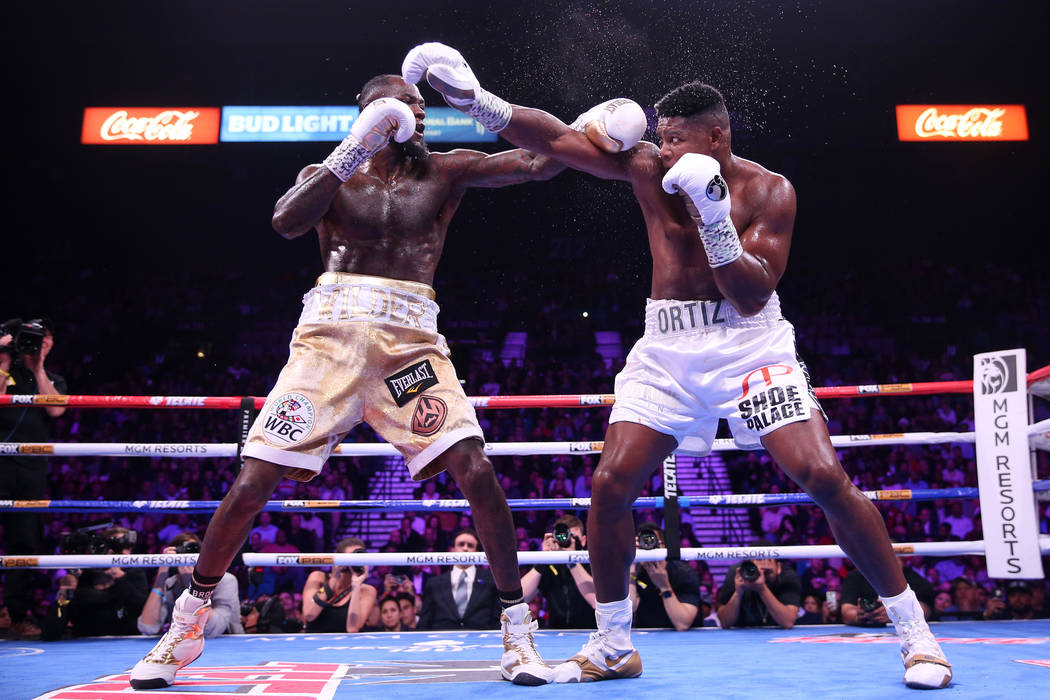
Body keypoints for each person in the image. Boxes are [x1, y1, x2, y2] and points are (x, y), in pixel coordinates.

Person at [402, 42, 952, 689]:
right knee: (610, 485)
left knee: (821, 474)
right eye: (660, 140)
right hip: (666, 351)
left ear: (717, 136)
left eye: (679, 141)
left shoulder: (769, 191)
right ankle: (612, 645)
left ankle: (916, 636)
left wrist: (716, 216)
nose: (665, 153)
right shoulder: (647, 168)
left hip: (750, 346)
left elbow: (750, 291)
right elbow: (555, 139)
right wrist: (475, 99)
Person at [128, 71, 568, 688]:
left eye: (418, 103)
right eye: (399, 104)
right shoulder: (330, 173)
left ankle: (518, 634)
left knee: (477, 468)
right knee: (254, 478)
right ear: (368, 112)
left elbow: (538, 165)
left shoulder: (445, 170)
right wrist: (351, 150)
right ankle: (186, 625)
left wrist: (530, 116)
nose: (414, 112)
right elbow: (285, 221)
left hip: (409, 348)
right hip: (328, 343)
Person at [0, 318, 66, 639]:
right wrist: (3, 360)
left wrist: (37, 367)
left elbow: (56, 411)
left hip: (30, 471)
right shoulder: (4, 371)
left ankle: (16, 616)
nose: (38, 344)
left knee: (24, 543)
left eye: (44, 339)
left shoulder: (52, 379)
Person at [136, 532, 243, 639]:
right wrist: (161, 575)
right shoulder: (170, 584)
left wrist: (194, 585)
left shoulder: (225, 580)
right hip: (186, 646)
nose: (188, 556)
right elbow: (147, 628)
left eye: (194, 550)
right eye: (183, 551)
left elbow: (215, 629)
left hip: (227, 645)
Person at [520, 515, 597, 629]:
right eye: (562, 537)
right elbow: (520, 598)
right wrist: (544, 558)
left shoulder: (592, 563)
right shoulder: (550, 564)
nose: (566, 540)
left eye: (572, 537)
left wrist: (571, 561)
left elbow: (596, 601)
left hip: (591, 632)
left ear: (584, 540)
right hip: (555, 633)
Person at [417, 529, 501, 630]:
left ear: (477, 552)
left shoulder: (491, 581)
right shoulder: (434, 583)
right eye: (461, 544)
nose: (465, 548)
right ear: (452, 550)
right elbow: (424, 623)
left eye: (470, 545)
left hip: (480, 641)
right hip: (443, 641)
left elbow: (498, 619)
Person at [628, 523, 699, 631]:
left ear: (663, 546)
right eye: (643, 543)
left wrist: (664, 586)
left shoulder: (684, 573)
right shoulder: (633, 573)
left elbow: (683, 624)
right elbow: (629, 610)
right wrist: (631, 568)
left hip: (683, 640)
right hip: (645, 637)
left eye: (653, 542)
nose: (648, 547)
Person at [301, 537, 377, 633]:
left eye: (357, 558)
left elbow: (352, 628)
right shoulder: (317, 578)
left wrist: (356, 585)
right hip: (312, 644)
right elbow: (309, 614)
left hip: (344, 646)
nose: (352, 563)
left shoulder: (367, 591)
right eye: (349, 558)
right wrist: (333, 581)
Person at [716, 547, 801, 629]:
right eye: (758, 571)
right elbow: (725, 622)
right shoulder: (738, 573)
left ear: (778, 568)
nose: (762, 576)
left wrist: (762, 589)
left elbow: (788, 622)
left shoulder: (788, 576)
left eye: (767, 572)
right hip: (741, 636)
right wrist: (738, 592)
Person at [840, 562, 935, 627]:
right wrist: (860, 616)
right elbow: (846, 611)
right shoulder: (856, 577)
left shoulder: (913, 578)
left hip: (905, 631)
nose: (885, 564)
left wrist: (897, 614)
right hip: (865, 632)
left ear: (901, 560)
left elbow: (925, 610)